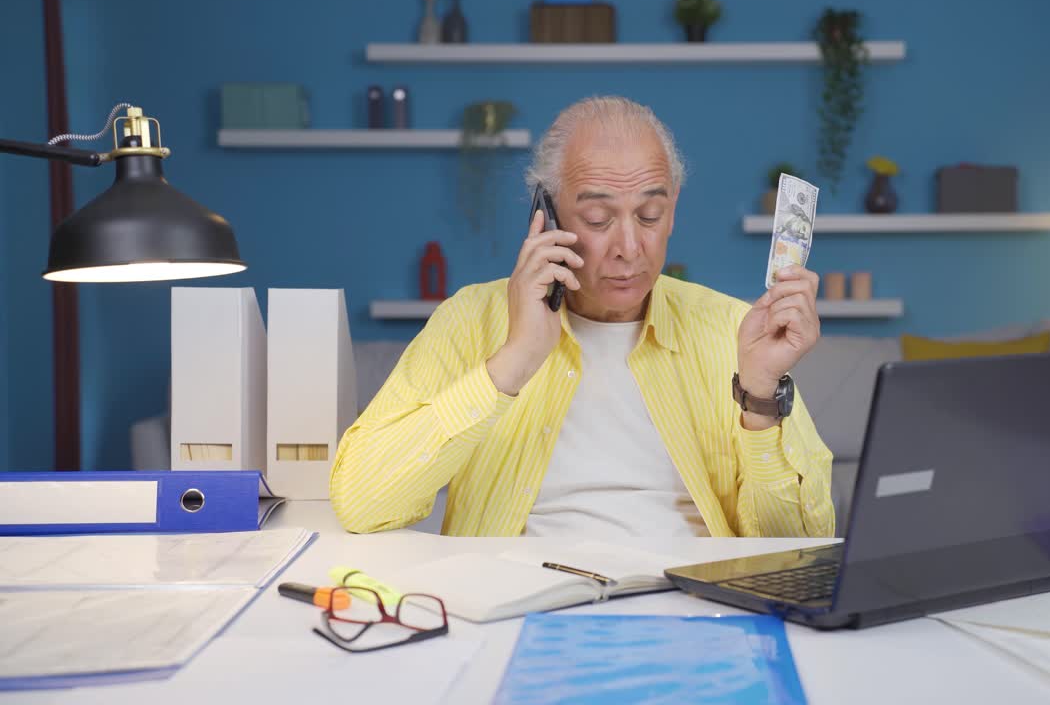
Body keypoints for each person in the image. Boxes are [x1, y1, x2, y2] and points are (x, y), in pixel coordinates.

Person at [330, 96, 834, 537]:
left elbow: (798, 546)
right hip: (518, 607)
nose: (630, 248)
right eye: (597, 219)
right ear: (545, 216)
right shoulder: (469, 319)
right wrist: (514, 359)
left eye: (650, 216)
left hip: (691, 606)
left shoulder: (732, 328)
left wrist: (761, 399)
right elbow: (363, 504)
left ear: (673, 210)